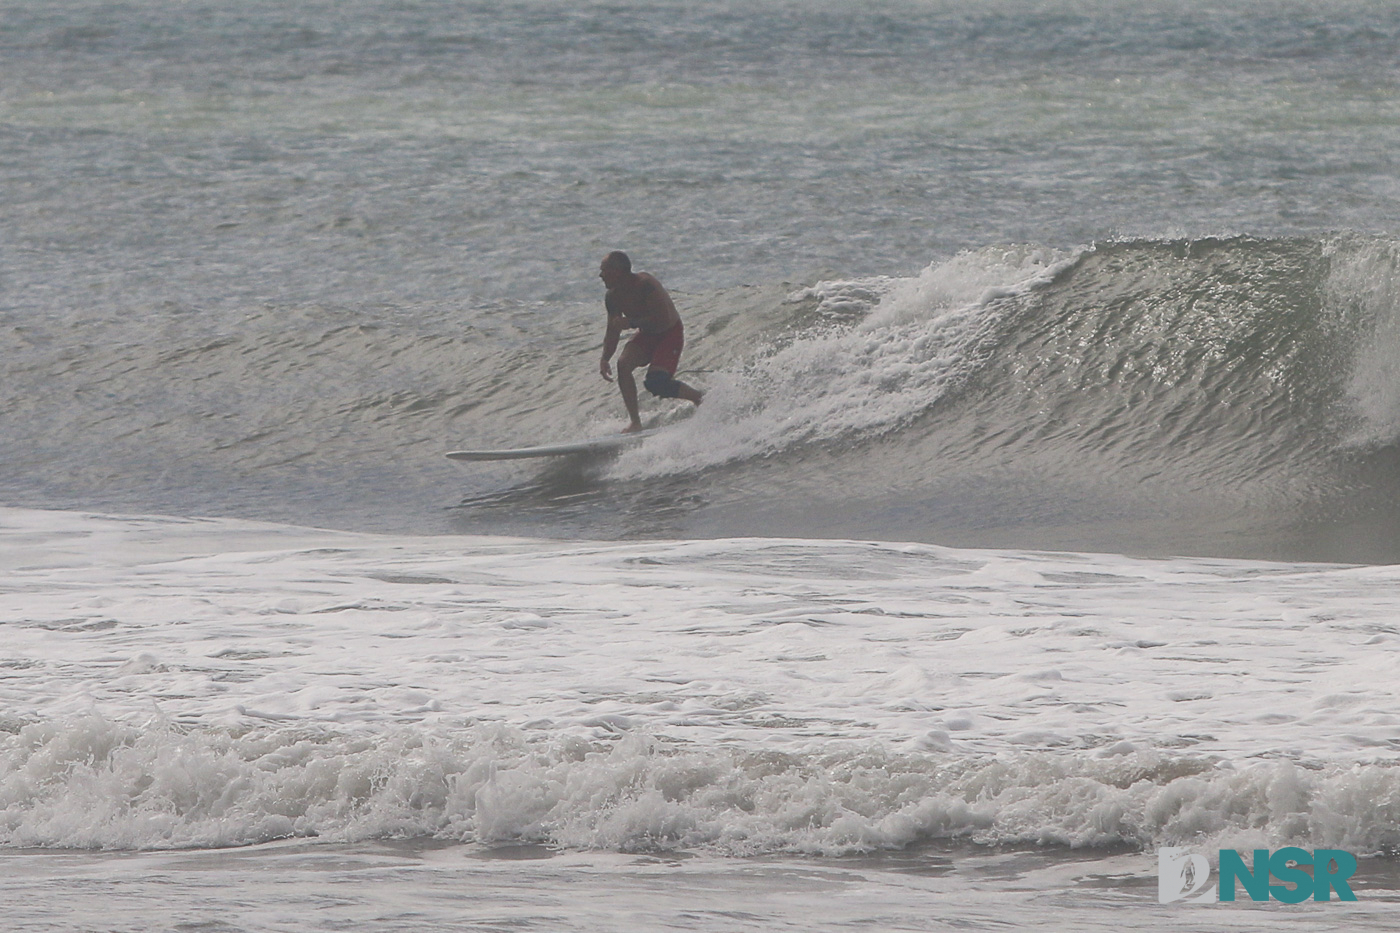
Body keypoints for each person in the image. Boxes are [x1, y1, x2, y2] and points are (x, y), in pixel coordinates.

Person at [597, 251, 702, 432]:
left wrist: (631, 322)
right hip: (647, 335)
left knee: (656, 382)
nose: (601, 275)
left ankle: (699, 398)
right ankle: (635, 422)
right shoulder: (612, 297)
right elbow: (612, 330)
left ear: (617, 271)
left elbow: (662, 319)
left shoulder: (646, 285)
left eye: (604, 270)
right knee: (623, 364)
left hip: (669, 333)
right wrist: (605, 358)